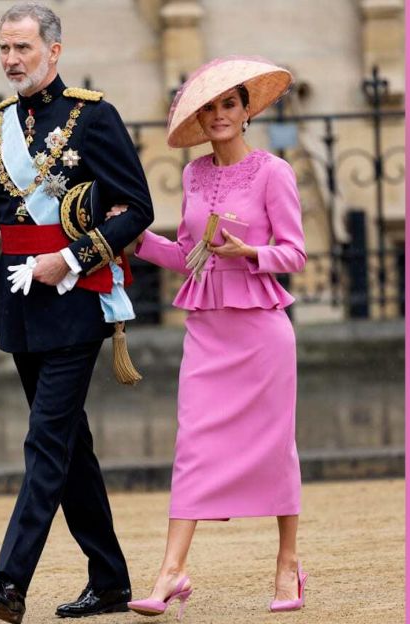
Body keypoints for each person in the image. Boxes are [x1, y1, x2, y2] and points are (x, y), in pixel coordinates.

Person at [0, 4, 153, 622]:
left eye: (23, 49)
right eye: (4, 49)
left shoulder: (95, 117)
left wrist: (76, 258)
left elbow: (137, 207)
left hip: (77, 302)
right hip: (21, 307)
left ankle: (10, 581)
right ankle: (110, 581)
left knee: (45, 440)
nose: (11, 61)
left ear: (53, 52)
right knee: (69, 447)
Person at [124, 56, 309, 618]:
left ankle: (287, 563)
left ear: (246, 110)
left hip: (261, 332)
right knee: (193, 445)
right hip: (207, 331)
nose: (220, 115)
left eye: (229, 104)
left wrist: (249, 251)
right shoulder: (192, 175)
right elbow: (189, 255)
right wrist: (132, 239)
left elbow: (296, 254)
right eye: (209, 108)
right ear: (199, 120)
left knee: (276, 447)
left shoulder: (275, 172)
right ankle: (171, 572)